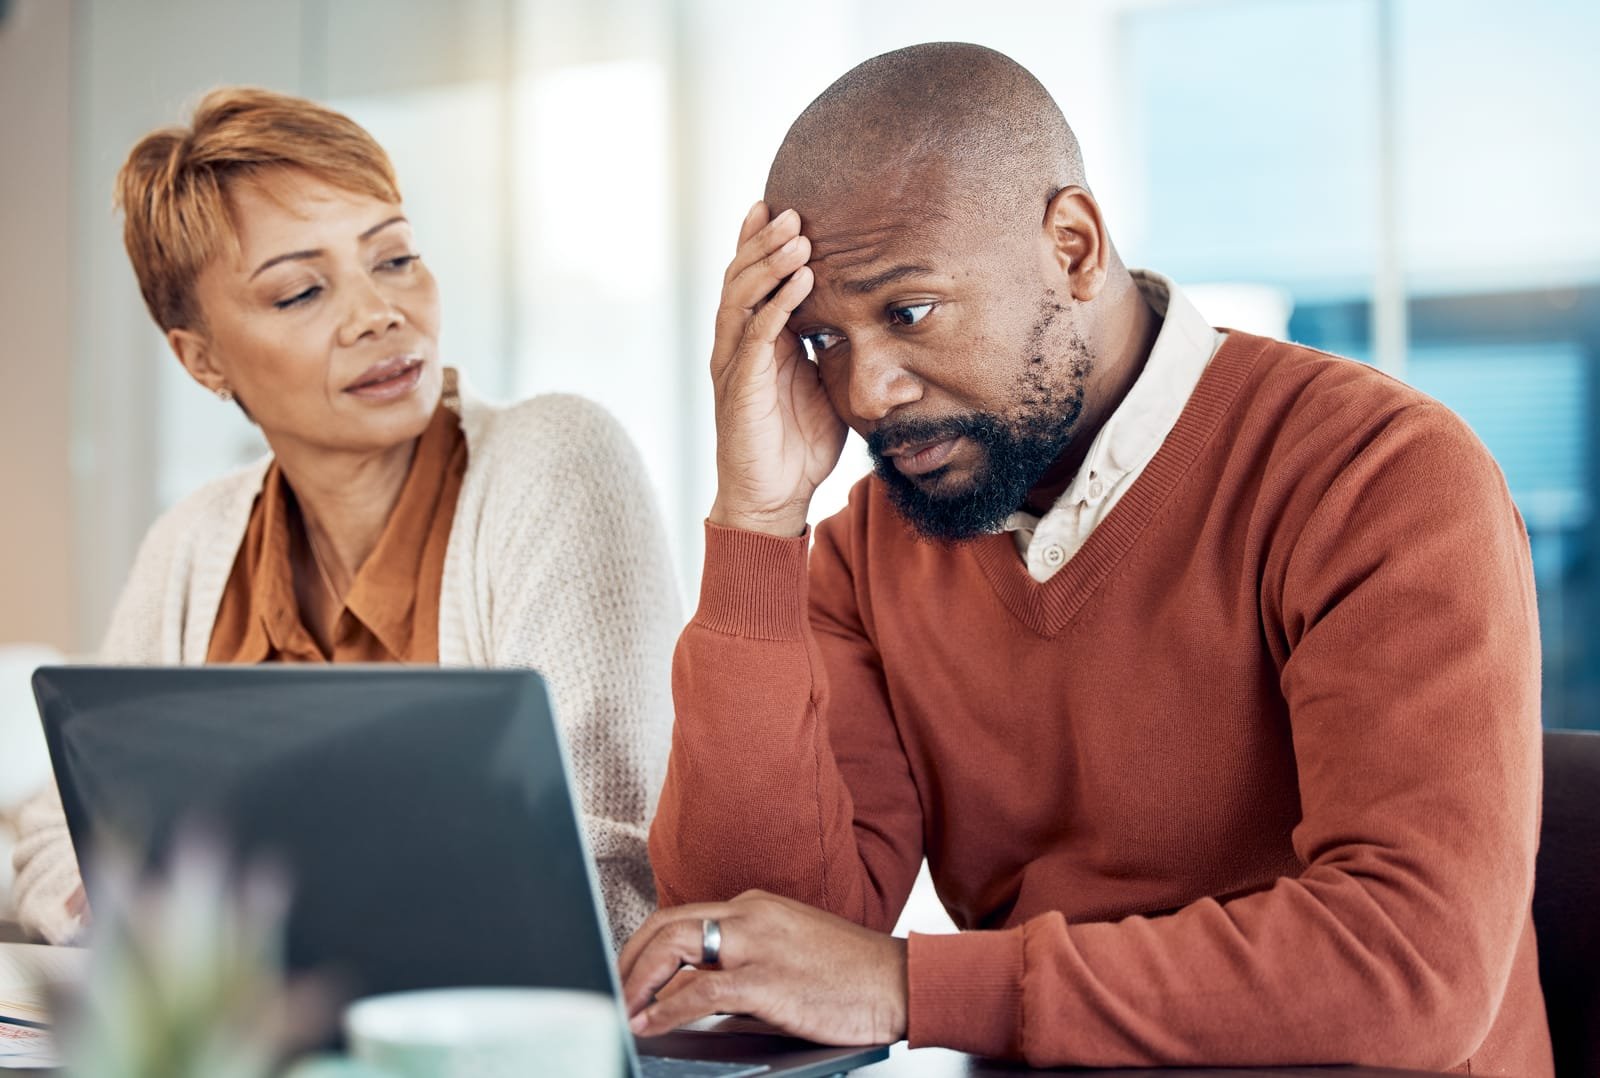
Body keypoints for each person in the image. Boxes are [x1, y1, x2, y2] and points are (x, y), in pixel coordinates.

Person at [618, 42, 1547, 1075]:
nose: (867, 391)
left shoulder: (1376, 474)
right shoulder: (866, 554)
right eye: (821, 341)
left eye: (906, 312)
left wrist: (907, 984)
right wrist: (756, 520)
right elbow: (759, 958)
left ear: (1072, 246)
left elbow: (1409, 968)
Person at [12, 87, 680, 950]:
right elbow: (56, 832)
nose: (379, 313)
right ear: (203, 359)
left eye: (394, 258)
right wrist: (123, 908)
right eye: (300, 293)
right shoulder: (194, 542)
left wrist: (233, 931)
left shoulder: (555, 459)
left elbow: (609, 877)